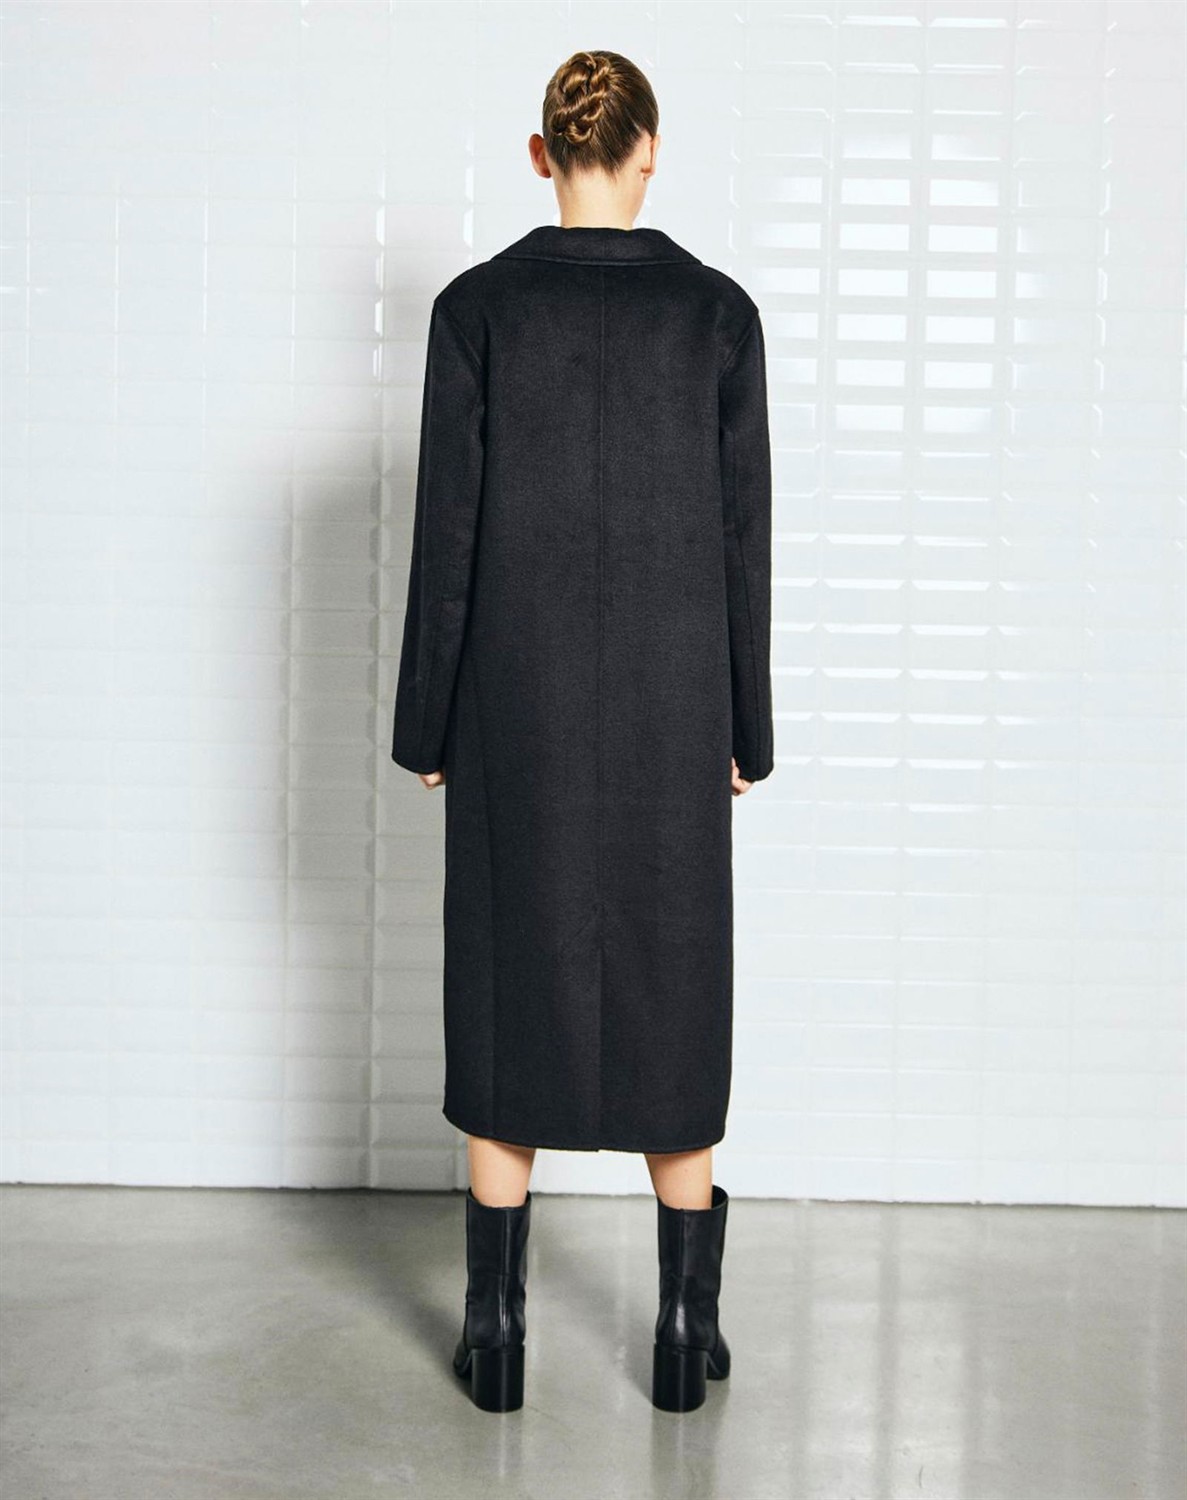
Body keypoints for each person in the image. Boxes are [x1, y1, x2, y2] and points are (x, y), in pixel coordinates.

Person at [391, 48, 774, 1414]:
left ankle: (496, 1338)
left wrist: (427, 721)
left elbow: (447, 540)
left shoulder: (475, 313)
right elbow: (742, 542)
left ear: (542, 154)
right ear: (651, 151)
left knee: (511, 996)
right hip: (675, 708)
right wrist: (747, 726)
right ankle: (681, 1333)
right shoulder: (720, 317)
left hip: (517, 706)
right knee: (676, 991)